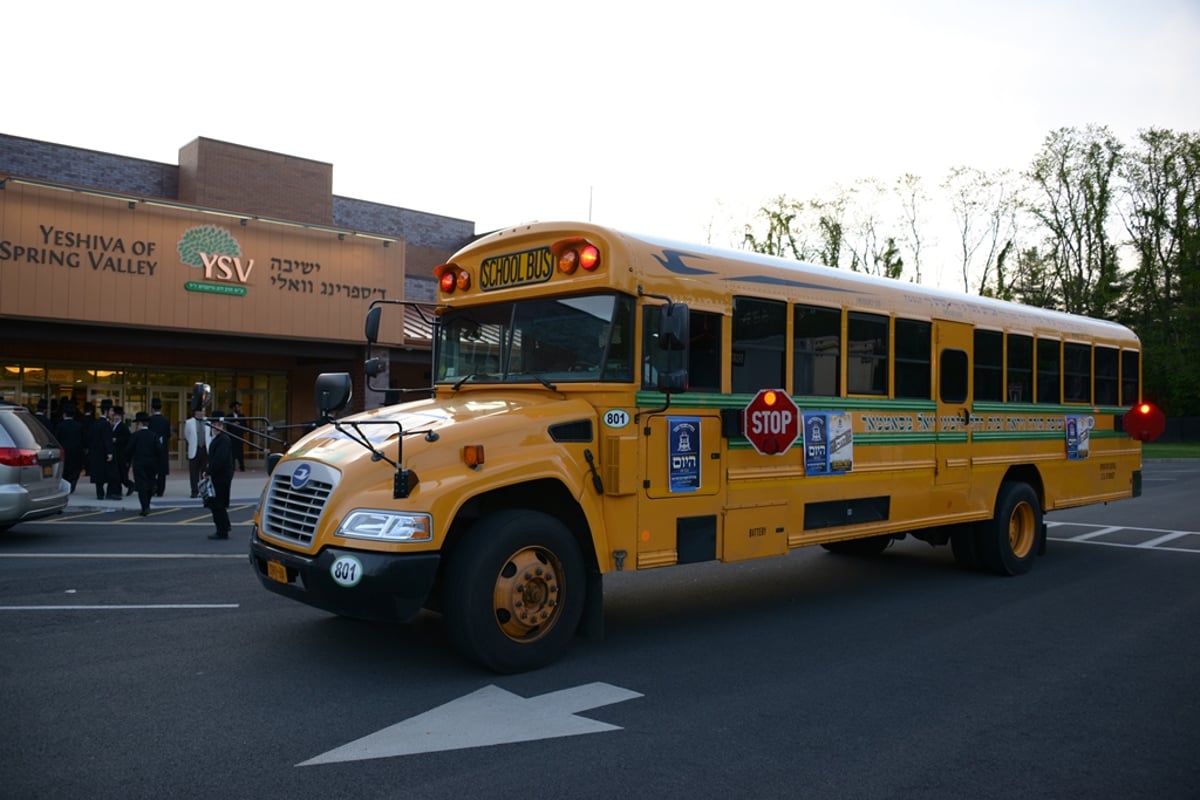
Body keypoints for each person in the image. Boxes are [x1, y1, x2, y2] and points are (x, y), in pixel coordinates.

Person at [125, 411, 164, 516]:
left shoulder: (135, 436)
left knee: (141, 485)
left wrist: (128, 461)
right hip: (152, 464)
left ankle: (145, 506)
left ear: (139, 424)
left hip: (139, 463)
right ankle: (148, 503)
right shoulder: (153, 435)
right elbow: (160, 450)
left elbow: (129, 450)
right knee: (150, 484)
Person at [203, 411, 234, 539]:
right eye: (214, 424)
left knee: (217, 504)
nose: (216, 427)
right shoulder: (220, 439)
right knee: (219, 503)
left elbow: (219, 460)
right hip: (221, 475)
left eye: (219, 425)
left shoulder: (223, 440)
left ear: (223, 426)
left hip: (221, 476)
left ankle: (222, 530)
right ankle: (225, 525)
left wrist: (209, 471)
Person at [87, 401, 116, 500]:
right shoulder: (105, 424)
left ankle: (100, 493)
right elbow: (107, 439)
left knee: (98, 475)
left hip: (96, 453)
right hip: (103, 453)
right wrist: (110, 453)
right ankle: (109, 493)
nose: (113, 413)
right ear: (106, 411)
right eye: (111, 410)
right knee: (111, 474)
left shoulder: (95, 423)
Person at [54, 404, 85, 493]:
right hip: (76, 451)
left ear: (64, 414)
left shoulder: (60, 426)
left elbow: (56, 438)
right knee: (74, 469)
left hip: (64, 450)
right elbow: (83, 438)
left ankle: (65, 485)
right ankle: (73, 483)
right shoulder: (79, 426)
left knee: (65, 469)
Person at [184, 407, 211, 498]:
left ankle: (204, 491)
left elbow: (210, 435)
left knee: (205, 472)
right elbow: (187, 435)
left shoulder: (208, 422)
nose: (202, 413)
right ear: (196, 412)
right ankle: (194, 491)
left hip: (205, 449)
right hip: (194, 449)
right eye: (200, 411)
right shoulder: (189, 422)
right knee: (193, 472)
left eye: (204, 411)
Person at [148, 397, 172, 497]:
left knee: (151, 471)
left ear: (152, 408)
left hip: (152, 449)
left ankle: (152, 487)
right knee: (161, 472)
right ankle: (160, 490)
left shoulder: (150, 420)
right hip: (163, 448)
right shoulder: (165, 421)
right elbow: (168, 434)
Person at [110, 406, 134, 498]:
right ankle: (123, 488)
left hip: (121, 453)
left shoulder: (123, 426)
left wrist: (117, 440)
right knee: (119, 474)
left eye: (117, 415)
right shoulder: (113, 426)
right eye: (115, 415)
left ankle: (130, 485)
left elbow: (127, 439)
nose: (115, 417)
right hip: (116, 452)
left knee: (122, 474)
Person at [228, 400, 246, 472]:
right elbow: (227, 427)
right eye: (236, 407)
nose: (238, 409)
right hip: (232, 437)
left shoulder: (242, 416)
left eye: (239, 407)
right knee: (232, 453)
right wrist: (233, 424)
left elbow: (245, 426)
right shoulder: (229, 416)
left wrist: (239, 424)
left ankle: (242, 467)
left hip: (239, 437)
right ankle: (232, 467)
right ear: (233, 408)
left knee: (240, 453)